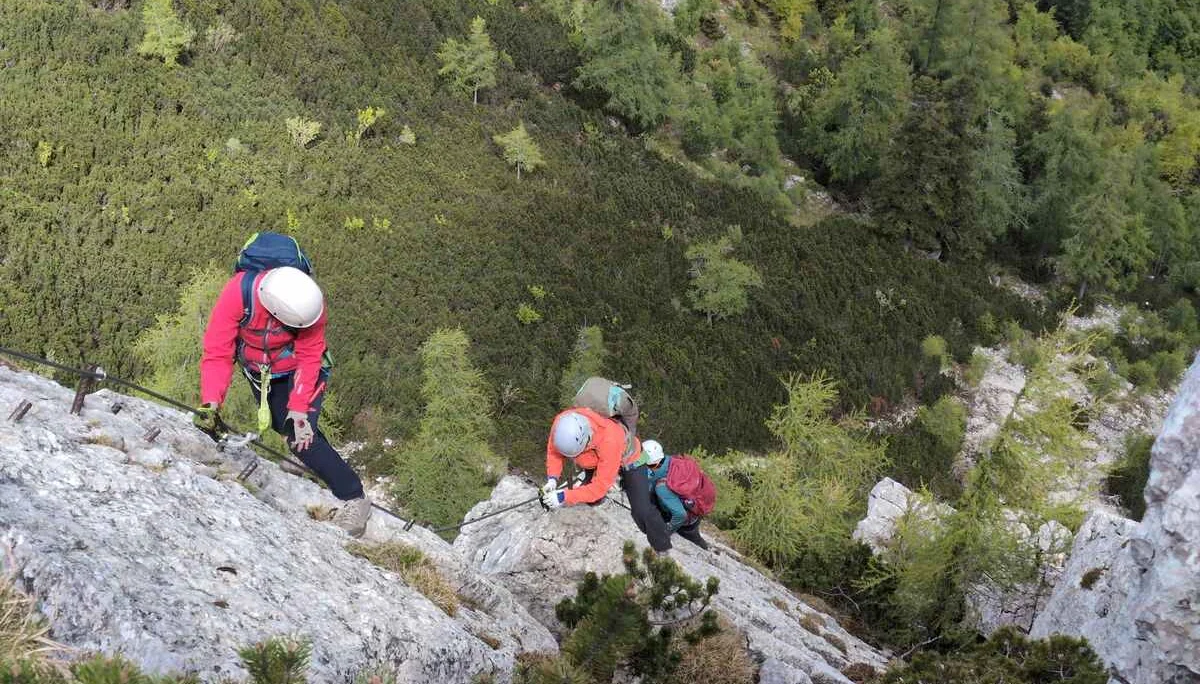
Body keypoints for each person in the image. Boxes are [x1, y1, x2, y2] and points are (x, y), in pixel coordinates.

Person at [193, 237, 371, 537]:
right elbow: (218, 351)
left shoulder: (309, 305)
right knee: (281, 424)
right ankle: (310, 459)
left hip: (299, 370)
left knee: (300, 437)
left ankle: (354, 497)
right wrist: (211, 401)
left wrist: (299, 409)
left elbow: (311, 355)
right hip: (262, 370)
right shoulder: (239, 292)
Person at [540, 407, 674, 555]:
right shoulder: (562, 423)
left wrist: (563, 496)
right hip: (596, 459)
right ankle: (598, 494)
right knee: (590, 499)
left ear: (587, 439)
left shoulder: (610, 438)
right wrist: (552, 479)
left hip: (631, 461)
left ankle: (662, 547)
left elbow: (599, 487)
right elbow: (554, 451)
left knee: (641, 511)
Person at [642, 440, 709, 550]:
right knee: (695, 536)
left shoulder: (662, 488)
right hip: (691, 508)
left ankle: (705, 550)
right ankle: (703, 546)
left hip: (686, 518)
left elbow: (680, 515)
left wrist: (666, 531)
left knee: (693, 539)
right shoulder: (669, 460)